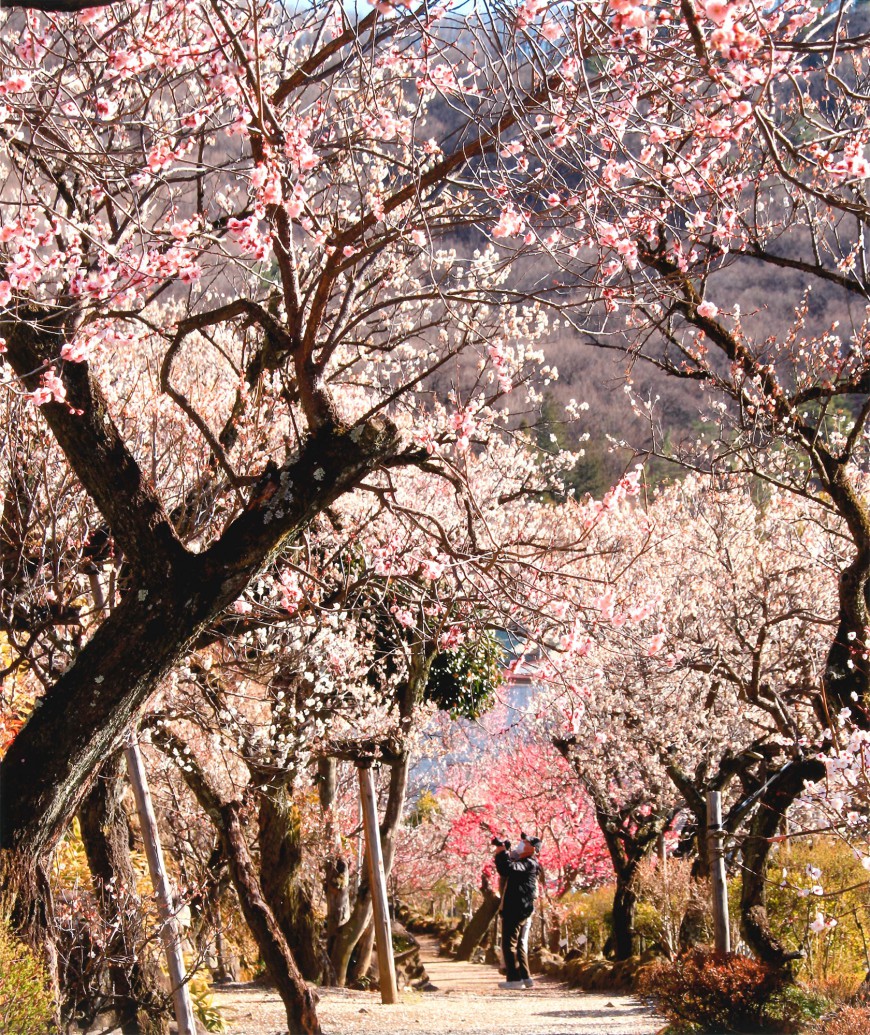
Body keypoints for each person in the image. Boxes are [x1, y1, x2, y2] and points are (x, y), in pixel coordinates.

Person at [492, 834, 541, 990]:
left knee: (509, 944)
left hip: (516, 909)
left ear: (533, 848)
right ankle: (524, 977)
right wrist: (503, 851)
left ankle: (514, 979)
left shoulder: (529, 863)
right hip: (521, 908)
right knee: (519, 944)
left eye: (525, 843)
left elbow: (507, 869)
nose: (521, 844)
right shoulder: (526, 863)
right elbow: (505, 869)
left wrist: (502, 852)